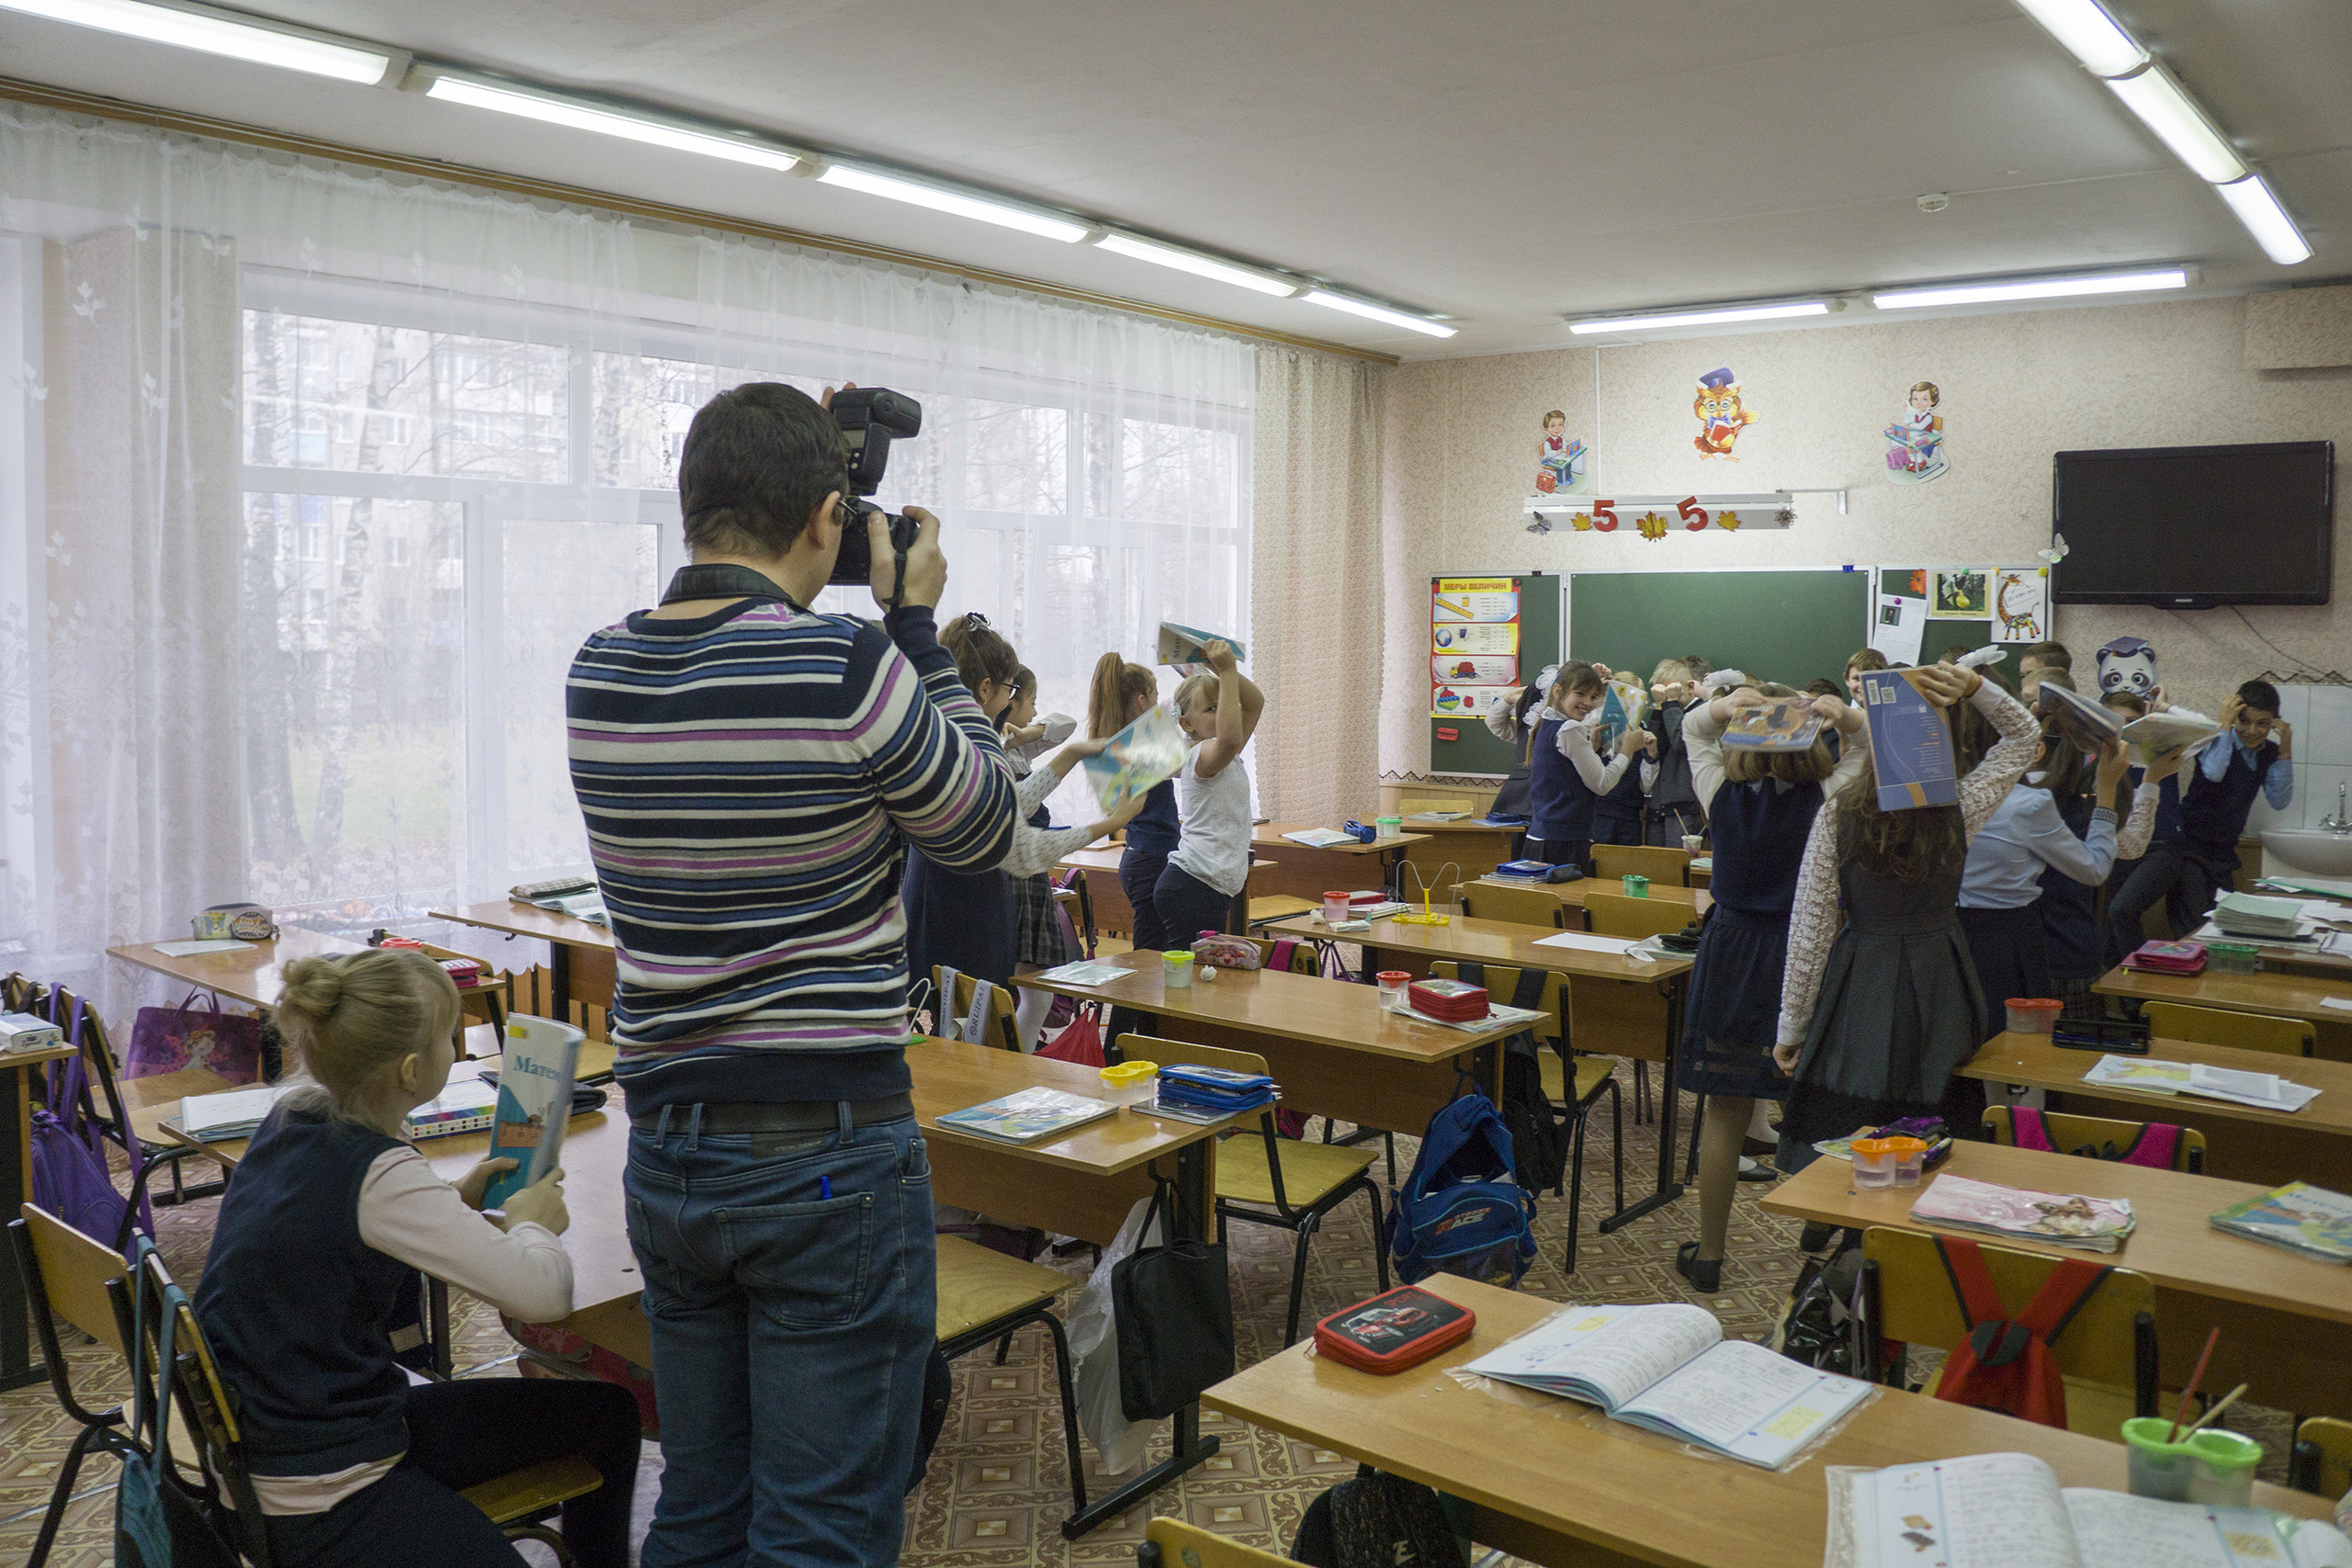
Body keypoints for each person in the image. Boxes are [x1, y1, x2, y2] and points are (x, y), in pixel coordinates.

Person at [567, 380, 1015, 1567]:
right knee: (823, 1523)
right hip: (826, 1152)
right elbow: (986, 827)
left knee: (706, 1500)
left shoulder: (597, 668)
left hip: (668, 1146)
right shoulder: (845, 662)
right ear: (831, 514)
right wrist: (917, 622)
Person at [193, 949, 639, 1568]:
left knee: (607, 1416)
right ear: (410, 1070)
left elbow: (338, 1237)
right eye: (447, 1039)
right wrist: (533, 1222)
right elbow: (546, 1296)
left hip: (267, 1439)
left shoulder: (290, 1117)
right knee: (602, 1422)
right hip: (319, 1487)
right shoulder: (380, 1171)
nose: (454, 1051)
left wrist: (454, 1201)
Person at [1773, 663, 2039, 1170]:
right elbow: (2023, 737)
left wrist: (1793, 1025)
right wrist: (1977, 688)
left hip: (1863, 977)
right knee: (1935, 1112)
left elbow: (1811, 931)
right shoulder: (1958, 807)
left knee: (1857, 1111)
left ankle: (1852, 1228)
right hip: (1941, 974)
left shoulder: (1838, 813)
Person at [1673, 681, 1868, 1292]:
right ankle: (1816, 1225)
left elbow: (1692, 730)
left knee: (1725, 1107)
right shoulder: (1829, 795)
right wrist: (1850, 720)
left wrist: (1724, 706)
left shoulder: (1721, 792)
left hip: (1731, 948)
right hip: (1802, 950)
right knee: (1813, 1099)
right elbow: (1869, 754)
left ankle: (1708, 1253)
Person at [1960, 706, 2170, 1036]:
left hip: (1966, 938)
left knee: (1981, 1040)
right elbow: (2118, 854)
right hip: (2050, 947)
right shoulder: (2035, 804)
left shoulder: (1958, 794)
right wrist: (2126, 785)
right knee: (2038, 1052)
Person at [999, 666, 1148, 1045]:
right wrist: (1111, 822)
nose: (1033, 712)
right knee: (992, 997)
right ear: (997, 695)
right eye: (1028, 702)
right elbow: (1020, 841)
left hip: (1020, 875)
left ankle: (1018, 1058)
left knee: (1033, 992)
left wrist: (1037, 740)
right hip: (1007, 881)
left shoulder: (1011, 745)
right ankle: (1005, 1062)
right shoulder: (988, 750)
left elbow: (1062, 727)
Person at [2105, 679, 2293, 960]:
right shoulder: (2216, 737)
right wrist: (2225, 727)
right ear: (2233, 716)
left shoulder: (2268, 754)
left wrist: (2285, 748)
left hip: (2223, 853)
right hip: (2188, 850)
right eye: (2244, 721)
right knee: (2192, 929)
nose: (2252, 731)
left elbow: (2280, 800)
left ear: (2274, 723)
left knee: (2221, 932)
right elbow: (2215, 772)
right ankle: (2145, 990)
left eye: (2263, 724)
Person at [903, 613, 1023, 997]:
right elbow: (1003, 817)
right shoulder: (969, 742)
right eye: (1010, 688)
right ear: (985, 689)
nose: (1012, 699)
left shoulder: (931, 729)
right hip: (963, 901)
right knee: (969, 1019)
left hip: (936, 889)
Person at [1158, 638, 1265, 942]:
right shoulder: (1202, 754)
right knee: (1190, 980)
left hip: (1204, 886)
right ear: (1187, 724)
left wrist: (1216, 667)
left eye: (1223, 707)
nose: (1221, 715)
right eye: (1211, 709)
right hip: (1192, 886)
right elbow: (1229, 738)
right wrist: (1228, 671)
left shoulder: (1226, 755)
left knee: (1200, 979)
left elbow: (1255, 703)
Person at [1526, 661, 1653, 872]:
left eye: (1594, 697)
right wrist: (1628, 750)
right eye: (1580, 694)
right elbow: (1602, 784)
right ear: (1558, 691)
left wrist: (1592, 749)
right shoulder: (1570, 728)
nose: (1588, 703)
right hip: (1564, 841)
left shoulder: (1547, 723)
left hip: (1541, 836)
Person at [1090, 654, 1175, 952]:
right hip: (1151, 857)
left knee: (1154, 946)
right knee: (1149, 954)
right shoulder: (1141, 748)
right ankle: (1128, 1001)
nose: (1159, 704)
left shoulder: (1119, 744)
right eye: (1155, 696)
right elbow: (1185, 763)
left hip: (1141, 854)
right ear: (1142, 700)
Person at [1645, 660, 1706, 846]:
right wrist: (1659, 708)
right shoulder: (1670, 710)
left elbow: (1680, 742)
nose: (1666, 697)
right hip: (1661, 805)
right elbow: (1658, 745)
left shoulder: (1702, 711)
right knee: (1656, 866)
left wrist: (1670, 704)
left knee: (1680, 867)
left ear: (1689, 687)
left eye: (1671, 692)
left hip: (1686, 808)